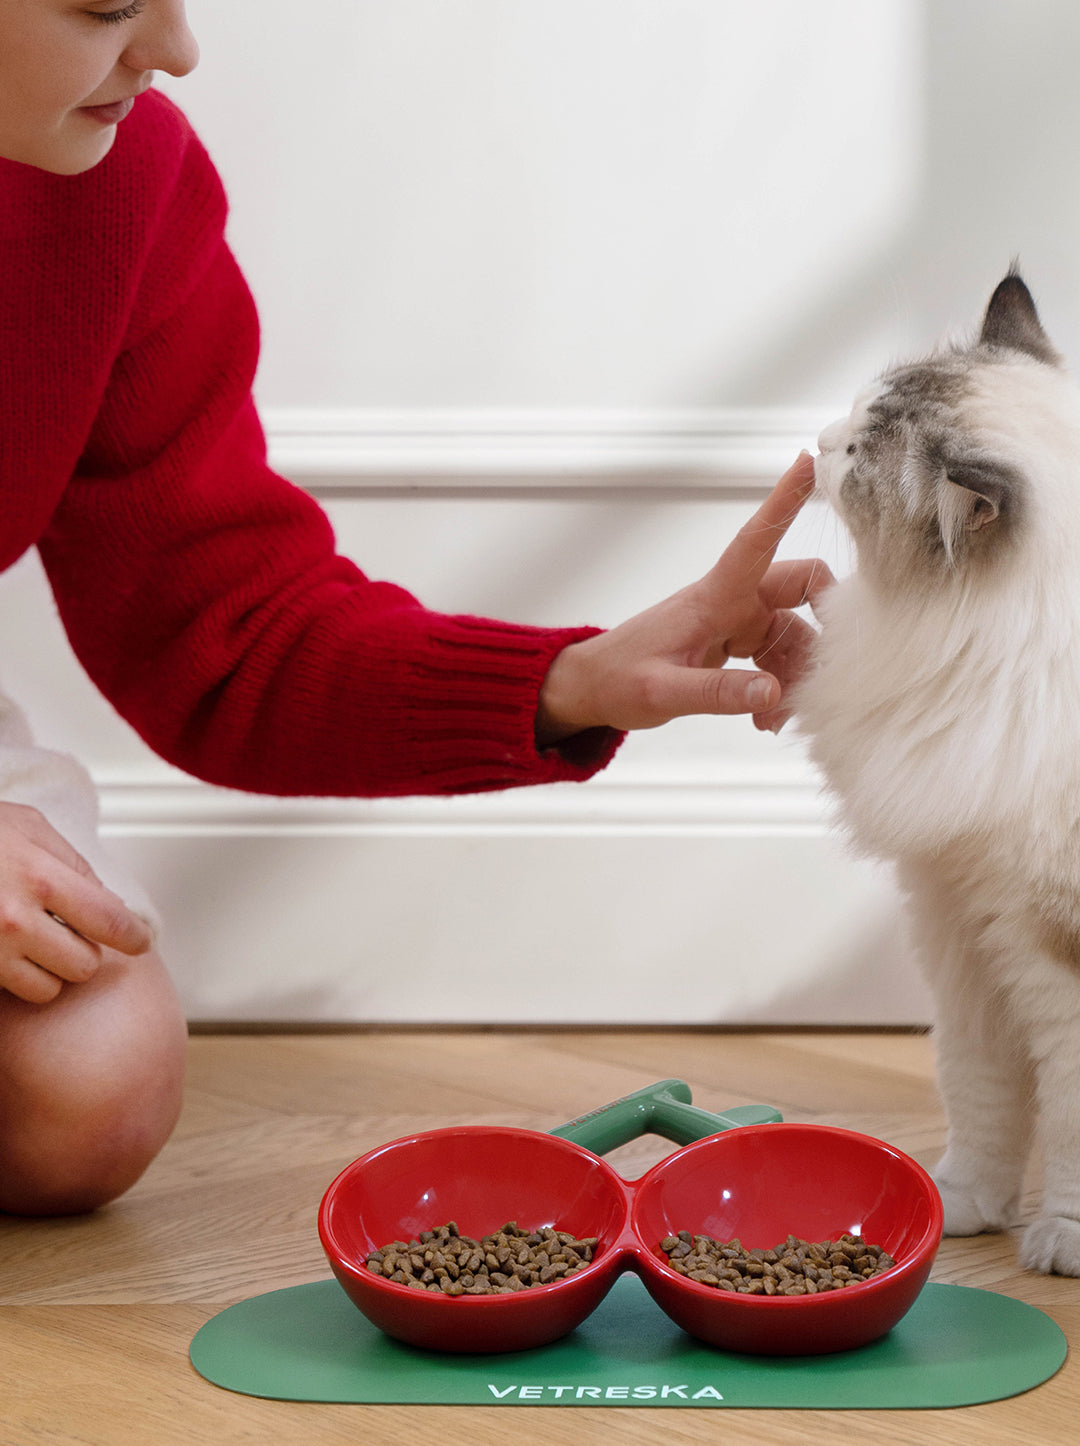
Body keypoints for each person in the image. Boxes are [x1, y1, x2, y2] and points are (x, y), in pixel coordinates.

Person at [0, 0, 830, 1215]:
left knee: (94, 1081)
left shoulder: (126, 184)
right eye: (109, 6)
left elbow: (229, 630)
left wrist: (571, 680)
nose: (176, 50)